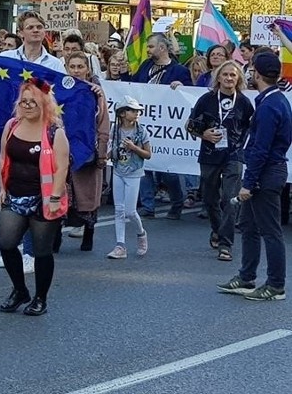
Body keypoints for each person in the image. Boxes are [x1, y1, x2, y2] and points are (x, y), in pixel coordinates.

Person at [218, 52, 292, 301]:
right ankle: (246, 276)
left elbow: (262, 148)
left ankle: (276, 285)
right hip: (266, 170)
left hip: (266, 174)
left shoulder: (271, 106)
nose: (249, 73)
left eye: (251, 70)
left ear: (257, 73)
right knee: (248, 226)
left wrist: (249, 183)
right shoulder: (272, 100)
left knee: (270, 230)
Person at [0, 79, 70, 316]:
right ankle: (20, 290)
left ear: (44, 104)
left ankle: (40, 298)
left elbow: (62, 167)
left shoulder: (54, 132)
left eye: (33, 102)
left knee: (41, 251)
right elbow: (2, 159)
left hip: (44, 198)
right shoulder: (12, 125)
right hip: (15, 194)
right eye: (23, 101)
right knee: (6, 244)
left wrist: (56, 197)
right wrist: (2, 189)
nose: (27, 106)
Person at [187, 60, 253, 262]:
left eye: (233, 75)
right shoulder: (206, 100)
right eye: (225, 75)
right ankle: (217, 229)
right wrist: (203, 134)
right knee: (210, 198)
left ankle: (226, 244)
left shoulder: (243, 102)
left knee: (230, 200)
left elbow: (251, 128)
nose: (229, 78)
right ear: (218, 78)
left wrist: (243, 147)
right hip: (209, 154)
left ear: (239, 79)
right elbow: (190, 125)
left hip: (234, 155)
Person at [125, 33, 191, 219]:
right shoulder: (145, 66)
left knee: (166, 169)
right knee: (143, 165)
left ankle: (177, 203)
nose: (148, 50)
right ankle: (148, 206)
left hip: (166, 126)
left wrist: (182, 87)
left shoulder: (178, 71)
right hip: (144, 122)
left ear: (162, 48)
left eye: (151, 46)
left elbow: (189, 95)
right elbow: (132, 85)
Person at [64, 53, 109, 252]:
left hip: (88, 151)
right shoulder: (60, 91)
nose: (76, 70)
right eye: (72, 66)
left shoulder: (95, 93)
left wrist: (101, 152)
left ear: (87, 69)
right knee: (62, 194)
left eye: (80, 66)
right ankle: (55, 237)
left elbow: (103, 124)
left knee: (88, 195)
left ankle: (88, 233)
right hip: (64, 150)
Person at [106, 96, 151, 259]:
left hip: (134, 172)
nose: (136, 113)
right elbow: (110, 148)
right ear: (123, 113)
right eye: (132, 110)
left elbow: (148, 154)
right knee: (118, 209)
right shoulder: (115, 130)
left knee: (130, 211)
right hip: (119, 170)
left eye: (137, 110)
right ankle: (120, 245)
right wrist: (108, 153)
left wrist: (133, 148)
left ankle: (141, 233)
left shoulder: (141, 131)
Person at [0, 12, 65, 73]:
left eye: (39, 27)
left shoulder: (56, 64)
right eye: (30, 27)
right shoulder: (5, 58)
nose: (35, 30)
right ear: (21, 33)